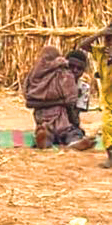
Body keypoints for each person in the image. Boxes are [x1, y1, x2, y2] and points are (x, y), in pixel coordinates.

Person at [23, 45, 93, 150]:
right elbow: (29, 103)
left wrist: (66, 105)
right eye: (71, 66)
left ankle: (49, 138)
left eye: (79, 68)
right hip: (57, 122)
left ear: (84, 71)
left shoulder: (83, 88)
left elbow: (75, 116)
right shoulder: (57, 79)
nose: (75, 70)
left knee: (63, 131)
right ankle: (69, 141)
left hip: (63, 120)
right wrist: (62, 102)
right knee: (69, 132)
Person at [76, 23, 112, 168]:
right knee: (107, 127)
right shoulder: (101, 53)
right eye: (107, 39)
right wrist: (99, 34)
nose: (109, 43)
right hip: (107, 100)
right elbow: (83, 45)